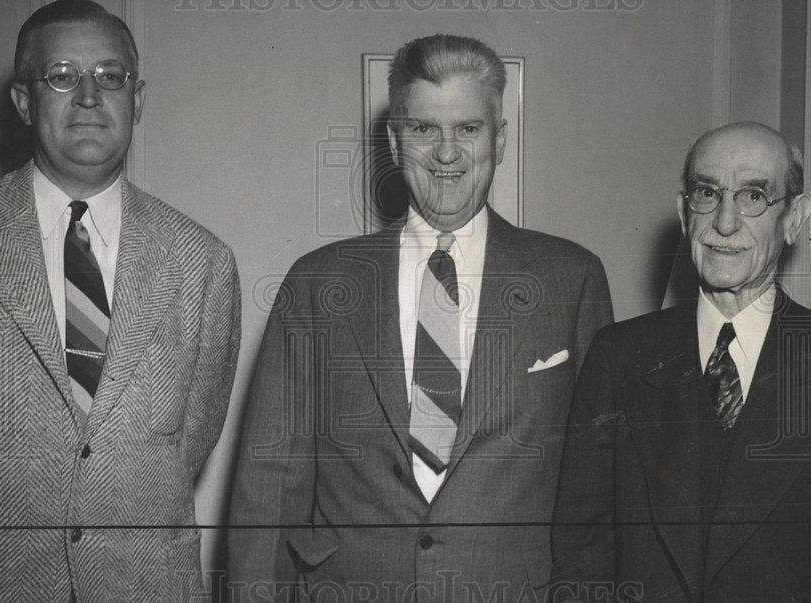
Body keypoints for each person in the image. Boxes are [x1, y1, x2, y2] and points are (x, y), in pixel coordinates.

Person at [228, 34, 612, 601]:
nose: (447, 152)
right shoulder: (318, 282)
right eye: (423, 129)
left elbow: (598, 489)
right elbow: (269, 481)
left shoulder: (570, 279)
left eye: (469, 128)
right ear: (393, 140)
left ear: (499, 139)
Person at [0, 1, 241, 600]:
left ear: (137, 100)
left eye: (110, 77)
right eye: (62, 75)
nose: (89, 95)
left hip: (140, 585)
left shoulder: (202, 262)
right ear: (25, 102)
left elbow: (189, 443)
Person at [552, 121, 811, 602]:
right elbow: (580, 550)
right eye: (707, 193)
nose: (726, 222)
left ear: (794, 218)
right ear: (683, 210)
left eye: (754, 196)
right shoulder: (619, 356)